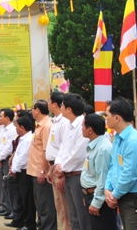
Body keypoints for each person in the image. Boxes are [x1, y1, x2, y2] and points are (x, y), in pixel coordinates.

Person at [54, 93, 91, 230]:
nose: (61, 108)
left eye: (62, 106)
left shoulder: (83, 125)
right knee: (73, 215)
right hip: (67, 173)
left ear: (69, 109)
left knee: (82, 215)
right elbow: (63, 148)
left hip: (78, 174)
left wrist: (62, 168)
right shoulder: (68, 125)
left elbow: (78, 153)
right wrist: (58, 164)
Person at [105, 97, 137, 229]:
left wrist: (114, 195)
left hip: (132, 197)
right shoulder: (118, 138)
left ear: (117, 118)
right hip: (122, 195)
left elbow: (129, 174)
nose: (106, 119)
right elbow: (113, 166)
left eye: (107, 115)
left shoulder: (132, 140)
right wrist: (107, 188)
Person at [81, 113, 115, 228]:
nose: (81, 129)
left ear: (90, 130)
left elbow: (102, 179)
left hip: (99, 199)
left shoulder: (102, 149)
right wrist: (87, 195)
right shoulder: (93, 145)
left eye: (83, 126)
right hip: (91, 195)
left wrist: (96, 202)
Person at [29, 100, 57, 230]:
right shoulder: (40, 125)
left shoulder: (46, 126)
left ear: (37, 110)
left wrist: (42, 170)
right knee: (40, 204)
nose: (31, 112)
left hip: (41, 171)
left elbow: (47, 151)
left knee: (46, 204)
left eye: (32, 109)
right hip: (35, 170)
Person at [46, 91, 72, 230]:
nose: (48, 104)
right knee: (59, 206)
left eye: (49, 101)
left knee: (66, 208)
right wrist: (50, 168)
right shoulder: (55, 121)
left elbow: (65, 148)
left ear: (55, 104)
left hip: (60, 168)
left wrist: (59, 171)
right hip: (54, 166)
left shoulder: (64, 122)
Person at [8, 116, 36, 230]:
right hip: (19, 171)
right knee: (21, 198)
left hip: (24, 172)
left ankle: (30, 224)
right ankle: (22, 221)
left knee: (27, 200)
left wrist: (14, 169)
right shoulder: (23, 138)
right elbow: (18, 155)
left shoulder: (28, 139)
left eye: (17, 126)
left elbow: (23, 157)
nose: (16, 128)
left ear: (22, 127)